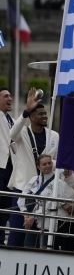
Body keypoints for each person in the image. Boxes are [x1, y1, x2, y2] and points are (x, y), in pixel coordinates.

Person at [8, 100, 58, 246]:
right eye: (40, 114)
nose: (45, 116)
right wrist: (25, 111)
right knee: (17, 233)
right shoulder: (22, 133)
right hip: (24, 189)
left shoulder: (54, 136)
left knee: (39, 235)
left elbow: (56, 161)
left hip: (45, 192)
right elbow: (11, 133)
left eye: (45, 113)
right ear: (31, 117)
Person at [18, 154, 71, 248]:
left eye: (49, 163)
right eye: (44, 164)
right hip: (30, 221)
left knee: (44, 249)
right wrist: (26, 214)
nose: (47, 166)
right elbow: (22, 198)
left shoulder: (59, 183)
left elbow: (50, 204)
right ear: (38, 166)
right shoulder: (33, 180)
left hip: (47, 223)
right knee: (28, 248)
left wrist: (32, 217)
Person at [0, 87, 18, 244]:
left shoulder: (11, 119)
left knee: (6, 208)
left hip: (10, 169)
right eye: (6, 96)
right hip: (0, 166)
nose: (10, 98)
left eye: (10, 96)